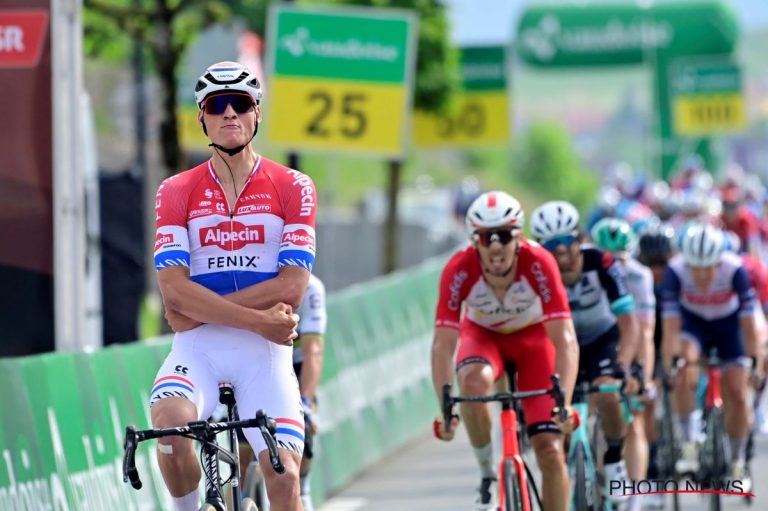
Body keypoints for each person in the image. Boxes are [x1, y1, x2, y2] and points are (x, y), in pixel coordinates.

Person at [151, 61, 316, 511]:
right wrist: (257, 319)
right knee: (168, 425)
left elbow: (292, 286)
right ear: (201, 117)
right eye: (216, 105)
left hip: (263, 356)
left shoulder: (294, 186)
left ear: (256, 113)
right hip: (200, 350)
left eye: (239, 104)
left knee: (283, 478)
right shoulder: (175, 190)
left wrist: (197, 308)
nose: (229, 114)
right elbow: (172, 292)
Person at [431, 191, 579, 511]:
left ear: (519, 237)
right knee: (471, 384)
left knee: (551, 451)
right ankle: (487, 472)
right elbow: (443, 344)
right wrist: (446, 410)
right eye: (486, 237)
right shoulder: (459, 269)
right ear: (475, 242)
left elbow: (565, 339)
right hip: (484, 338)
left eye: (504, 235)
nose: (495, 245)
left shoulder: (539, 262)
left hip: (533, 342)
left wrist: (563, 403)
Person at [530, 201, 639, 506]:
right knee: (556, 434)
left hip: (600, 340)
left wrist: (624, 365)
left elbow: (629, 323)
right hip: (559, 345)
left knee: (606, 394)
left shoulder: (601, 262)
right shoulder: (537, 272)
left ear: (578, 237)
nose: (561, 251)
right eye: (552, 245)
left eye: (566, 241)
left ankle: (615, 460)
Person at [661, 223, 763, 491]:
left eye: (709, 267)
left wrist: (753, 359)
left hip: (730, 326)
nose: (703, 275)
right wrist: (671, 363)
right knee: (684, 366)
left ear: (719, 261)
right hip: (694, 325)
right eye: (697, 268)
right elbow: (671, 326)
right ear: (687, 263)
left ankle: (737, 461)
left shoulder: (735, 269)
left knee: (738, 394)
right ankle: (689, 442)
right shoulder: (675, 271)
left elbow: (750, 323)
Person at [591, 217, 655, 511]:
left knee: (635, 421)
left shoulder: (639, 275)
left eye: (620, 259)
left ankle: (636, 496)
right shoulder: (589, 270)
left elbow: (645, 330)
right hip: (597, 341)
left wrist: (644, 374)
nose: (614, 265)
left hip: (629, 340)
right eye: (608, 258)